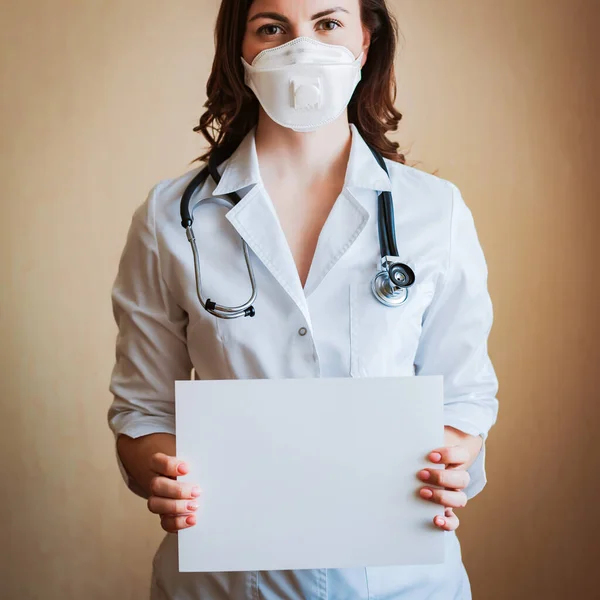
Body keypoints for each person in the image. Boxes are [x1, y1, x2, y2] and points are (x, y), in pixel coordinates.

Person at [107, 0, 499, 598]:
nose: (302, 49)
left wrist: (452, 461)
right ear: (239, 53)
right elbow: (143, 413)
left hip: (400, 583)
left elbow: (466, 397)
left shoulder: (434, 212)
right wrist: (160, 474)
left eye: (327, 23)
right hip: (226, 581)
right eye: (272, 28)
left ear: (365, 43)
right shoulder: (171, 220)